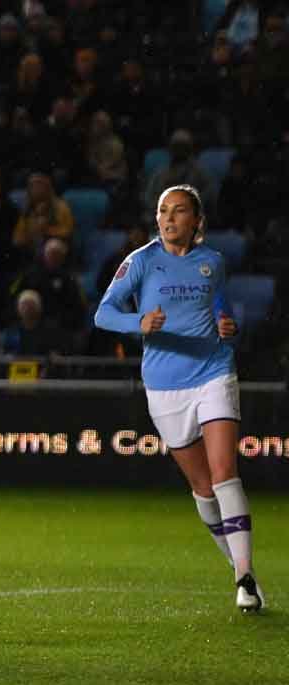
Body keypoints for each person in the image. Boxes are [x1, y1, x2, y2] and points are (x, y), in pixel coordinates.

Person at [94, 184, 264, 612]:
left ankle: (244, 576)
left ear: (197, 221)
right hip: (166, 386)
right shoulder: (141, 261)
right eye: (163, 211)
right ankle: (240, 572)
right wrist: (140, 322)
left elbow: (220, 309)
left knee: (225, 471)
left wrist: (228, 326)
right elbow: (103, 313)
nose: (169, 219)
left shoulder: (213, 263)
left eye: (179, 211)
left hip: (214, 373)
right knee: (202, 487)